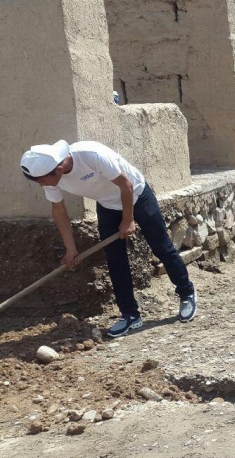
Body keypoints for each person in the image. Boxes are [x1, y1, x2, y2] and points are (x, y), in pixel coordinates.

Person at [20, 140, 198, 337]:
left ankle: (186, 292)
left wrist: (128, 219)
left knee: (161, 247)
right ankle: (130, 315)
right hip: (107, 205)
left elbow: (126, 185)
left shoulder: (92, 156)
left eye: (41, 181)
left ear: (59, 169)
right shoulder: (49, 174)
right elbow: (59, 210)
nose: (41, 185)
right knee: (115, 260)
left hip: (137, 196)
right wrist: (70, 249)